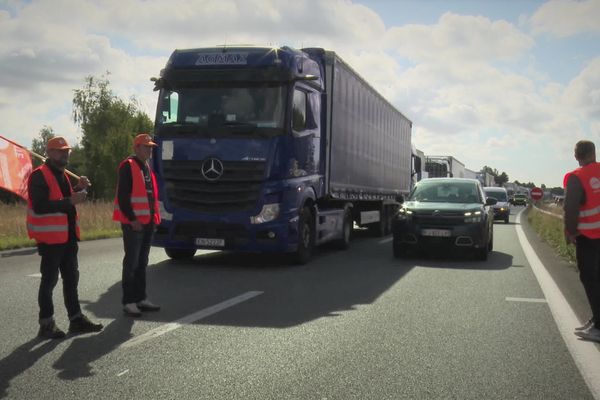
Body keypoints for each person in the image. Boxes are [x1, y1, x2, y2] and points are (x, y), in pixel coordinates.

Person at [27, 136, 104, 339]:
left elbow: (65, 200)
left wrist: (78, 189)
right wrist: (71, 199)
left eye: (66, 150)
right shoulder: (39, 175)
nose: (64, 154)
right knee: (49, 281)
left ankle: (76, 319)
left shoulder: (62, 175)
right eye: (60, 151)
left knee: (71, 279)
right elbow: (40, 205)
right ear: (49, 153)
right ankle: (46, 324)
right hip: (51, 239)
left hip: (68, 237)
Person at [113, 133, 161, 317]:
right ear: (137, 148)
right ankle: (129, 301)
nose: (150, 149)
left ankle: (141, 298)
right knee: (131, 263)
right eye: (146, 146)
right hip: (134, 224)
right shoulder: (128, 166)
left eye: (151, 147)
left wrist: (153, 219)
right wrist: (133, 219)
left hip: (147, 222)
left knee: (142, 263)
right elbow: (123, 196)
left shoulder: (146, 166)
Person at [563, 139, 600, 343]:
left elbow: (571, 208)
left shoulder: (577, 177)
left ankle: (599, 326)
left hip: (589, 237)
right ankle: (595, 320)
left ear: (576, 156)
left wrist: (570, 232)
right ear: (594, 153)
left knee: (590, 278)